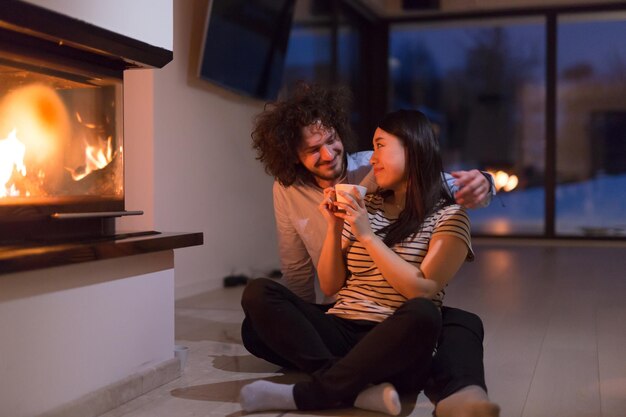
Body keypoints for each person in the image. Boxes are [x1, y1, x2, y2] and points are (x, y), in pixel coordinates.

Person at [242, 83, 499, 416]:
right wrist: (299, 325)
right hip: (347, 311)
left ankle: (322, 389)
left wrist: (486, 181)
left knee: (450, 319)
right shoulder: (300, 191)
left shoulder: (374, 173)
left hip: (396, 319)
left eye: (332, 140)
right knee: (257, 316)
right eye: (312, 149)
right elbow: (309, 275)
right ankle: (356, 386)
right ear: (294, 157)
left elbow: (441, 184)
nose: (329, 154)